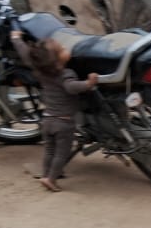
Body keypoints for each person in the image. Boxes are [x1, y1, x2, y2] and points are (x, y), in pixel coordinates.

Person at [10, 29, 97, 192]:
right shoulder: (66, 74)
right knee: (61, 154)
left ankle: (45, 175)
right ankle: (51, 179)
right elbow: (71, 87)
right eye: (62, 49)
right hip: (64, 123)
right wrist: (88, 83)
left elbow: (26, 54)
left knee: (49, 151)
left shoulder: (41, 71)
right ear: (57, 61)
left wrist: (16, 39)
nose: (65, 48)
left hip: (48, 119)